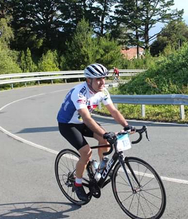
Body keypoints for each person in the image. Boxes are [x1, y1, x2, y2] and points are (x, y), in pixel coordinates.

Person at [57, 63, 134, 201]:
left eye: (104, 78)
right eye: (98, 79)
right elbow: (86, 118)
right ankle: (78, 183)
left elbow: (113, 111)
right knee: (86, 153)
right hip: (68, 124)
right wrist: (104, 133)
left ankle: (99, 169)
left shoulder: (103, 91)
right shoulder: (79, 93)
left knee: (105, 141)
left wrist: (126, 125)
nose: (102, 82)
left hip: (83, 122)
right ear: (88, 80)